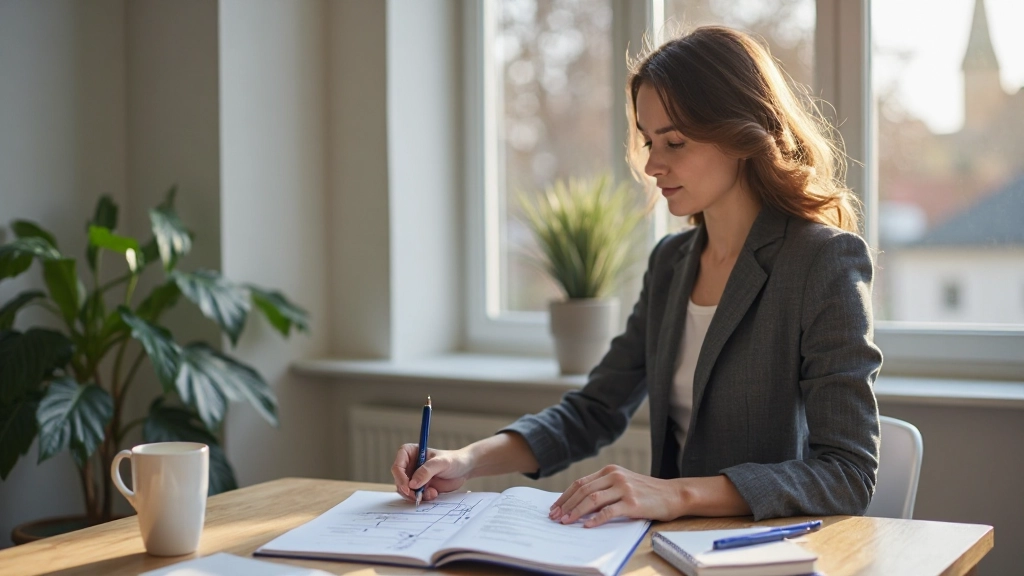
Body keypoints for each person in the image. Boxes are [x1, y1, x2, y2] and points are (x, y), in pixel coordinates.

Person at [392, 26, 882, 528]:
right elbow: (594, 410)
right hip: (669, 547)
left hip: (768, 550)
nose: (651, 164)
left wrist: (677, 495)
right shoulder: (671, 263)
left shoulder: (823, 261)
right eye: (649, 141)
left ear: (741, 134)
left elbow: (847, 474)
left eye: (674, 141)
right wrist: (467, 459)